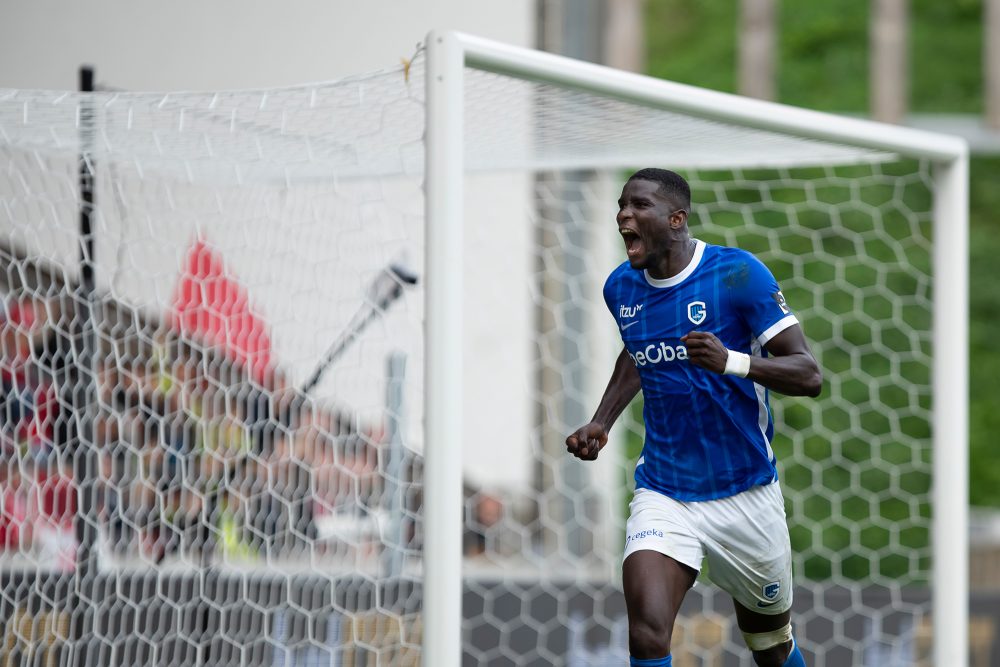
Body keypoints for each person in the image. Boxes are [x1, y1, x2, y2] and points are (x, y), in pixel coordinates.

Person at [566, 168, 821, 667]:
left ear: (677, 219)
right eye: (621, 205)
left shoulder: (737, 275)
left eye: (639, 206)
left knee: (769, 646)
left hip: (745, 491)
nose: (624, 216)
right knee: (646, 633)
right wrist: (602, 420)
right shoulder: (621, 287)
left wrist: (733, 361)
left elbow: (808, 374)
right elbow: (637, 351)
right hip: (665, 490)